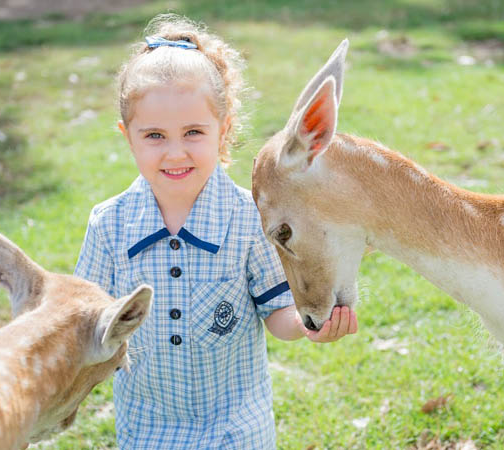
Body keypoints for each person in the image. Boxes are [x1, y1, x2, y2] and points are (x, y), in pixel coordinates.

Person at [74, 14, 358, 449]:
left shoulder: (248, 218)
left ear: (222, 131)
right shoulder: (109, 224)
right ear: (127, 137)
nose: (175, 153)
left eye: (193, 132)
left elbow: (278, 314)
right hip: (148, 431)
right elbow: (84, 325)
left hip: (236, 431)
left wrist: (310, 324)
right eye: (154, 135)